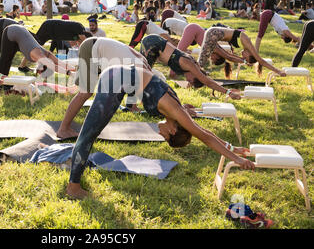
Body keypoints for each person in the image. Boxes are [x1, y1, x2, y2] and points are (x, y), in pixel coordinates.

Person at [65, 64, 255, 199]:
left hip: (117, 77)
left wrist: (233, 148)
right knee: (88, 135)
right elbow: (204, 136)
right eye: (165, 136)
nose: (159, 133)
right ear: (173, 130)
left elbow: (204, 131)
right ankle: (73, 187)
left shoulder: (178, 112)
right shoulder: (175, 111)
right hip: (116, 80)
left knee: (90, 134)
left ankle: (74, 177)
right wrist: (236, 159)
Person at [56, 37, 151, 139]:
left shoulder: (144, 69)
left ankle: (66, 128)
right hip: (92, 49)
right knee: (85, 93)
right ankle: (63, 129)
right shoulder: (137, 70)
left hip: (97, 49)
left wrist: (133, 106)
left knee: (88, 92)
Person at [141, 35, 241, 98]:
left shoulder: (191, 67)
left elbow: (204, 77)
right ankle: (133, 105)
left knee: (144, 74)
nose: (187, 80)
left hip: (155, 44)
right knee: (145, 75)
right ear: (195, 76)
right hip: (152, 43)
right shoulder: (190, 65)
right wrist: (228, 92)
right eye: (190, 81)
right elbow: (207, 81)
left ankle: (136, 102)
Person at [0, 24, 74, 82]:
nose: (38, 73)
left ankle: (4, 81)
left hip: (20, 31)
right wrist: (70, 73)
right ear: (41, 69)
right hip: (10, 31)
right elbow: (53, 66)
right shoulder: (39, 55)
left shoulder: (46, 53)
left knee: (9, 58)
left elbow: (58, 62)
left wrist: (75, 69)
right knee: (5, 59)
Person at [197, 27, 287, 78]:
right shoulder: (248, 44)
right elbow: (261, 61)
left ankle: (196, 76)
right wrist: (278, 71)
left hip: (214, 34)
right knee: (201, 61)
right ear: (251, 54)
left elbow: (230, 57)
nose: (242, 55)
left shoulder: (245, 47)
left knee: (202, 61)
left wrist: (244, 61)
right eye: (245, 57)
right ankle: (194, 76)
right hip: (214, 33)